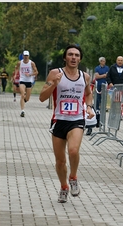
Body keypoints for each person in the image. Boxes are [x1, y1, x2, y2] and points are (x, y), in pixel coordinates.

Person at [39, 44, 95, 203]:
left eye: (77, 55)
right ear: (65, 57)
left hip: (77, 119)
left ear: (80, 59)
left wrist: (89, 107)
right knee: (60, 161)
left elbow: (88, 95)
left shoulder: (85, 77)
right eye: (70, 54)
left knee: (73, 150)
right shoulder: (56, 73)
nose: (73, 58)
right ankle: (64, 187)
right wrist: (53, 84)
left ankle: (73, 177)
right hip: (59, 120)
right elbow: (42, 97)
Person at [19, 50, 39, 117]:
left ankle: (23, 101)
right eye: (24, 55)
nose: (25, 57)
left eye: (27, 55)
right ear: (23, 56)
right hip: (22, 80)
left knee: (27, 99)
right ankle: (22, 111)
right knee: (22, 94)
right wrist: (15, 75)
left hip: (29, 81)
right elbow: (16, 68)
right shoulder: (20, 63)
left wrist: (30, 74)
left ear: (29, 56)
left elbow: (36, 72)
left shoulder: (31, 63)